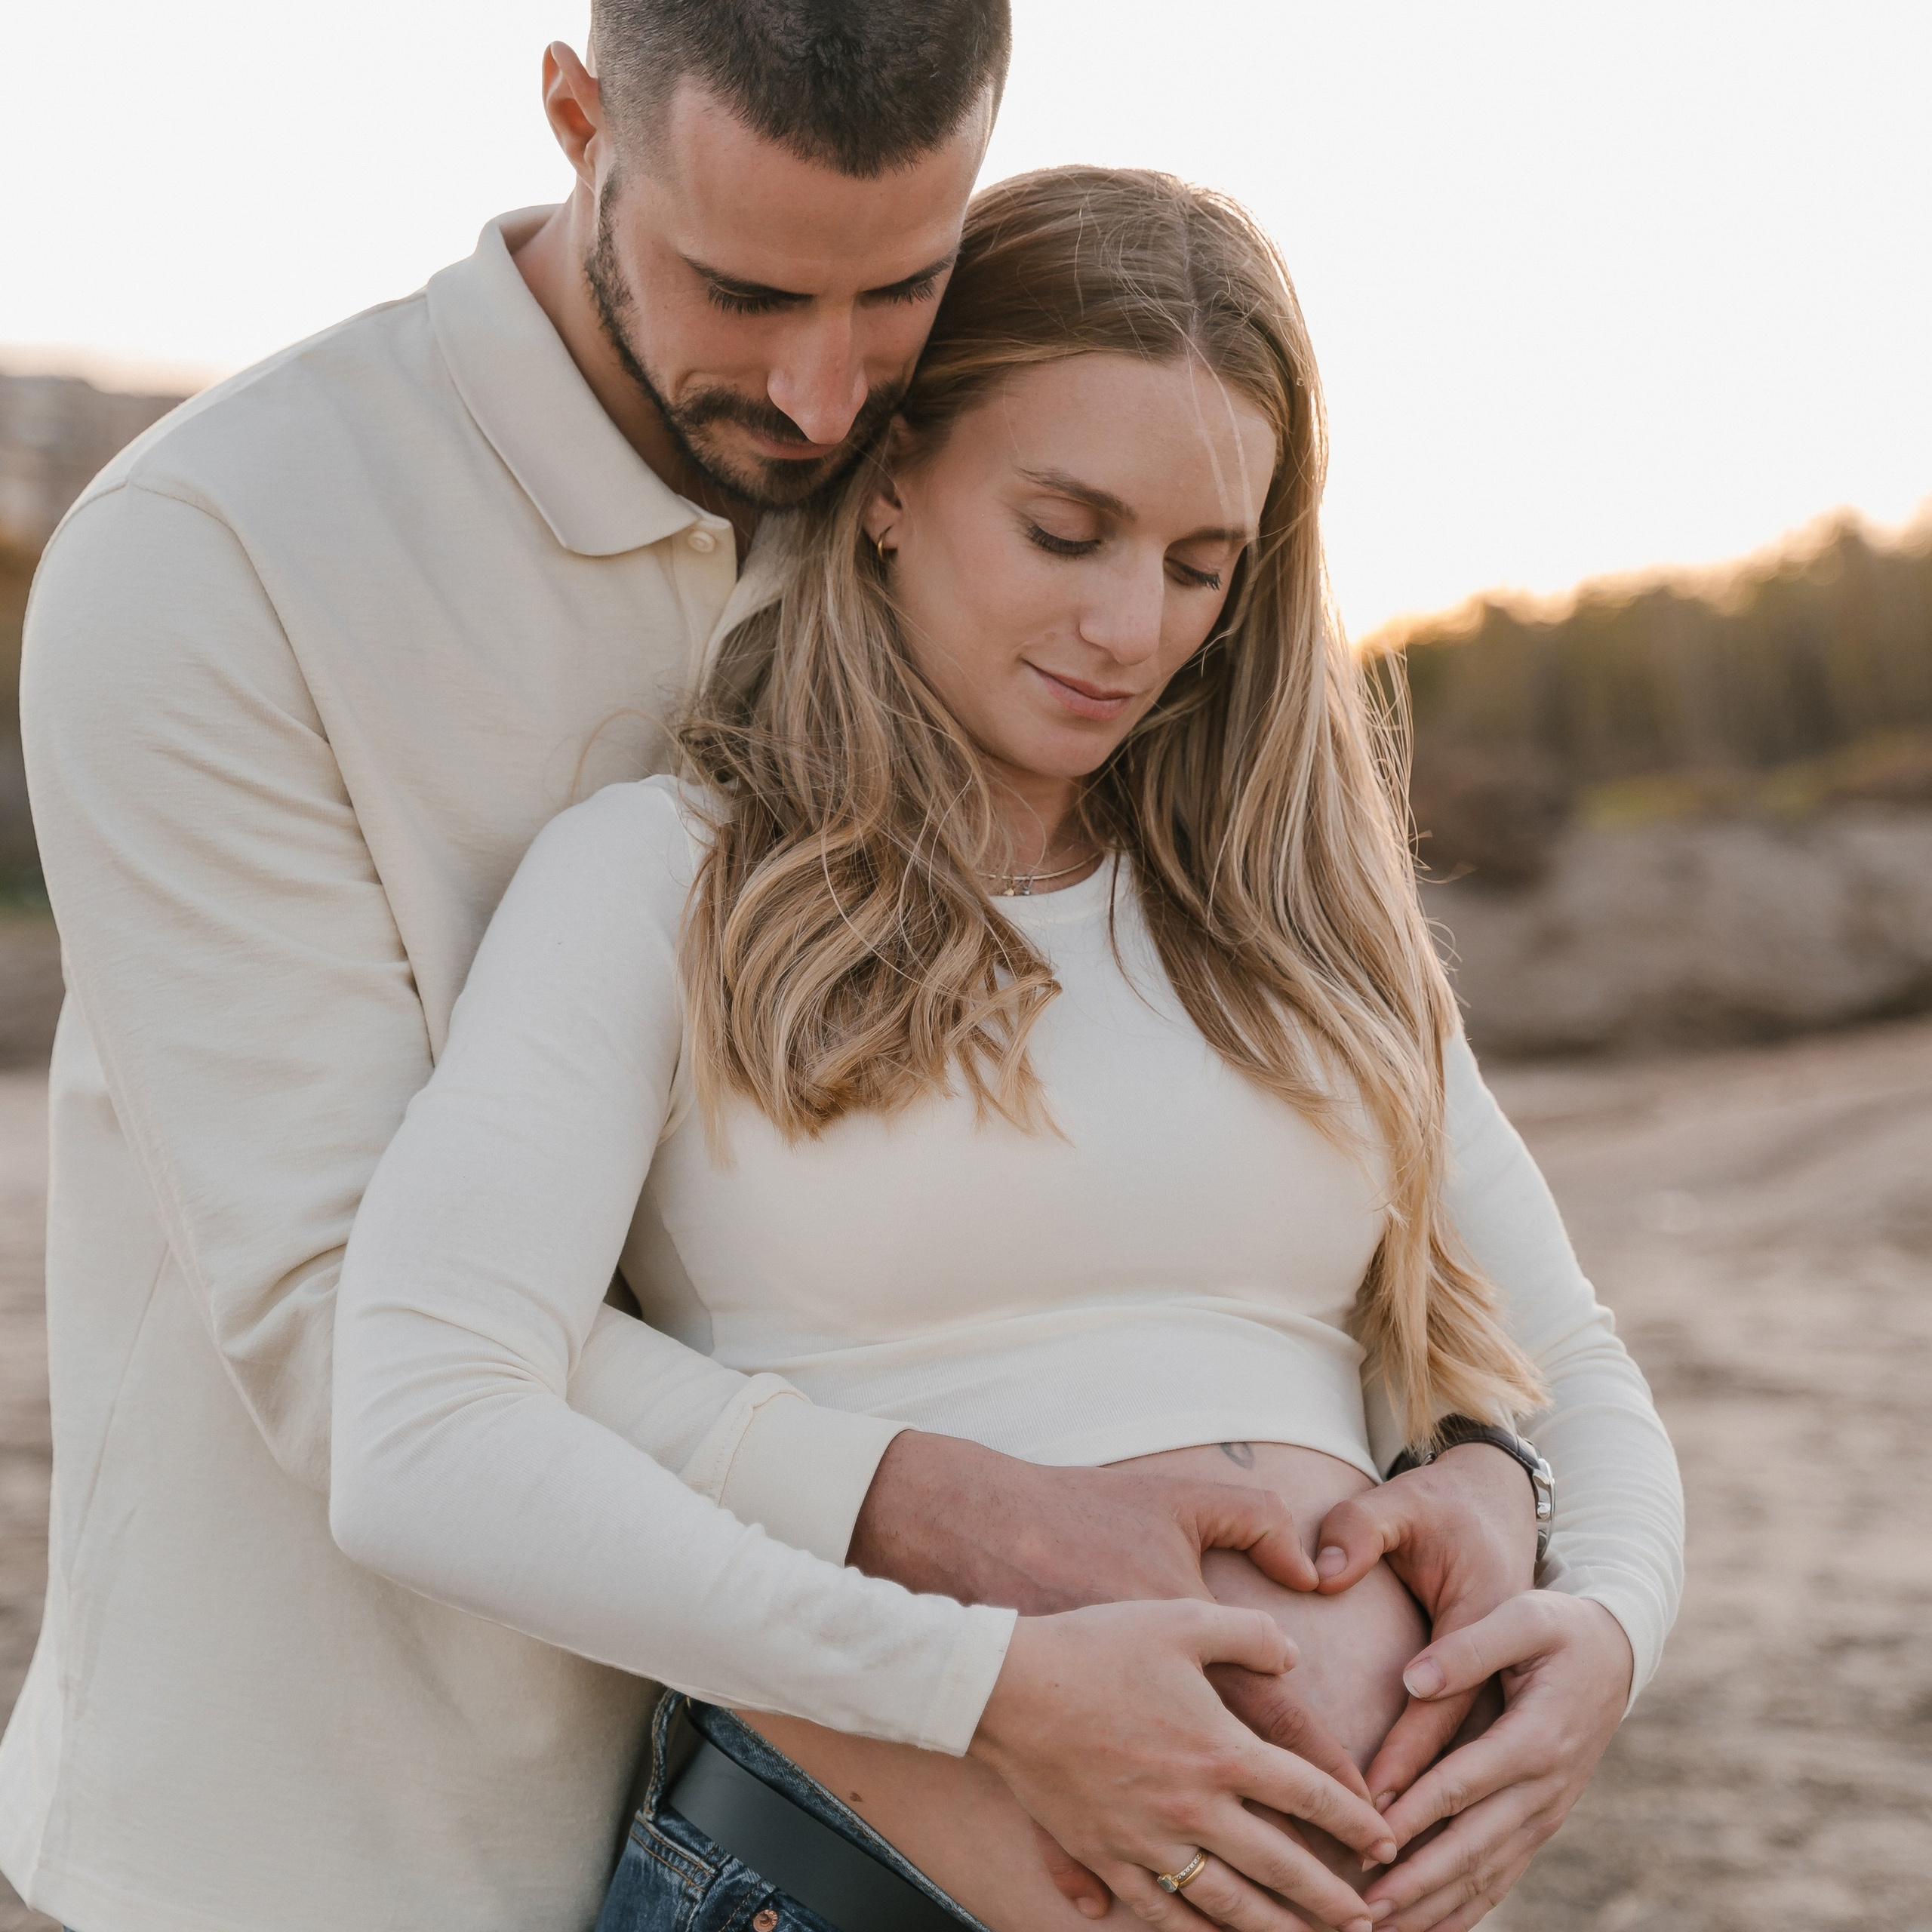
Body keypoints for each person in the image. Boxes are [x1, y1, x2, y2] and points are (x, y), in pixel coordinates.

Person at [3, 5, 1679, 1930]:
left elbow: (1439, 1313)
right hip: (371, 1814)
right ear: (575, 120)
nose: (817, 397)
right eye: (744, 288)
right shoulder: (219, 562)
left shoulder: (965, 575)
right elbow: (349, 1338)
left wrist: (1505, 1489)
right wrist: (967, 1569)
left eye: (897, 292)